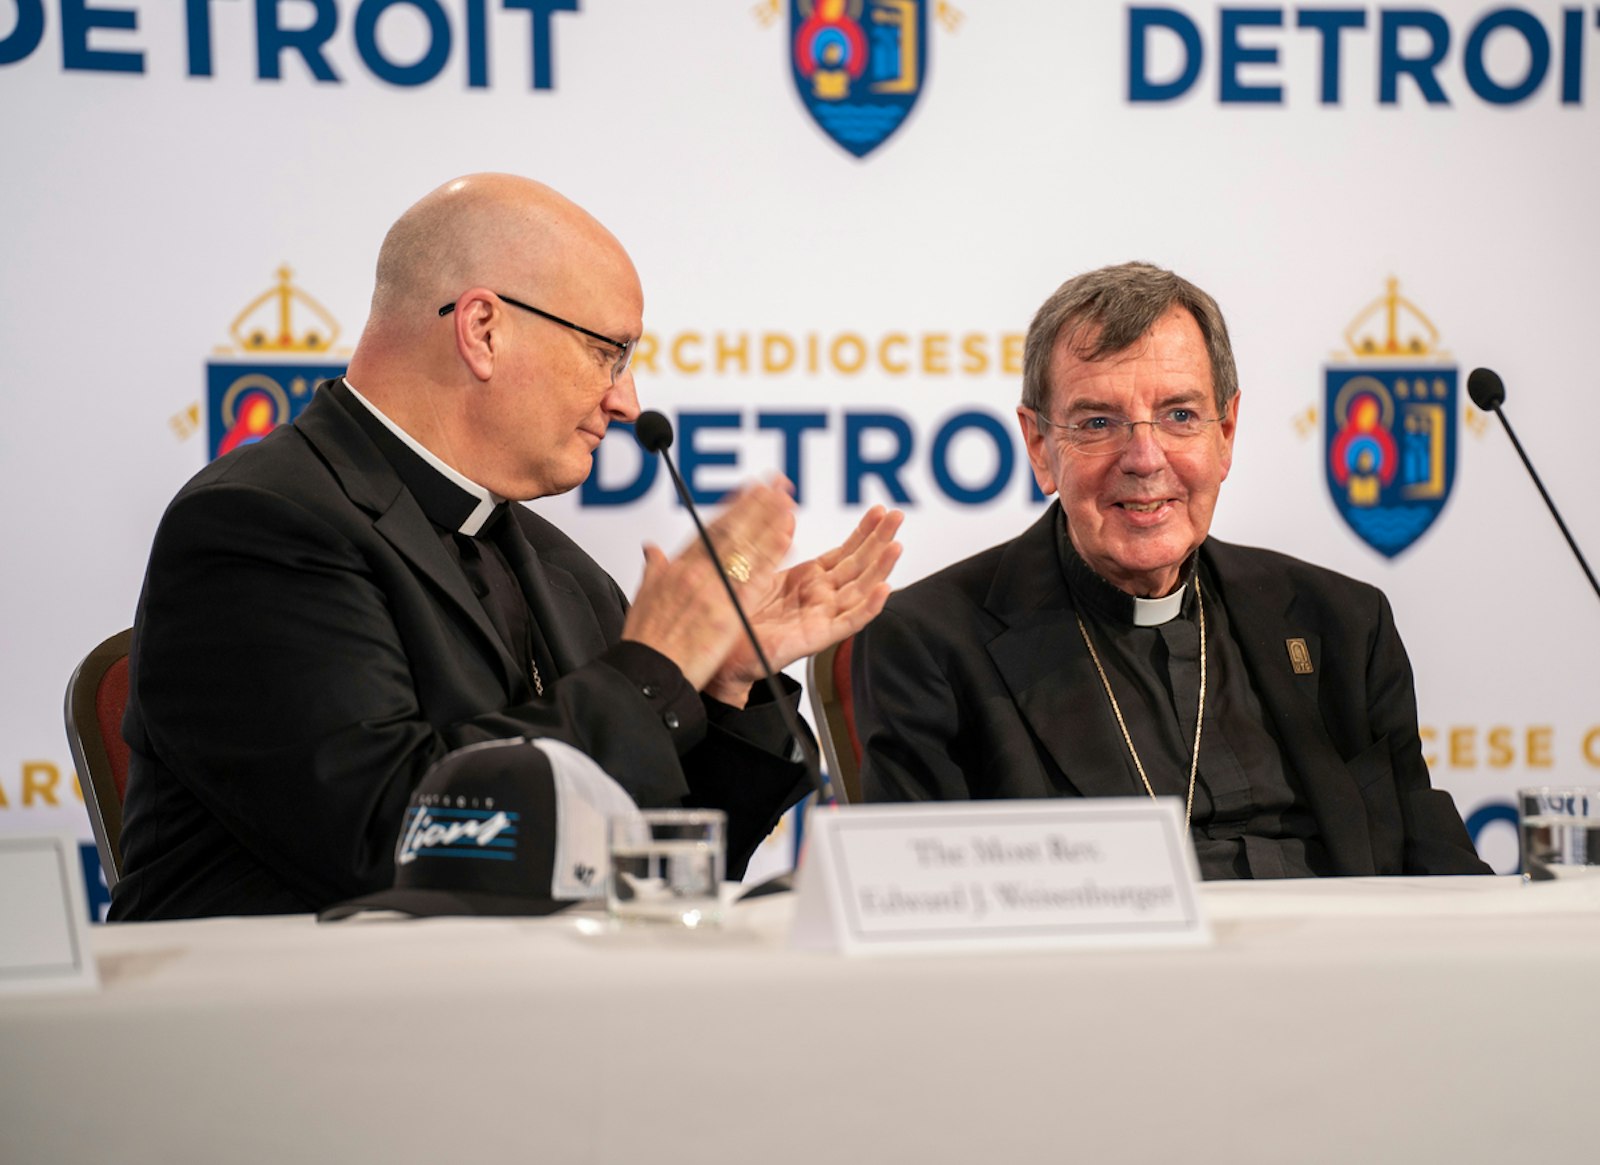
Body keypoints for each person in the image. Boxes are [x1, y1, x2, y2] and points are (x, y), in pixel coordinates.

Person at [112, 174, 902, 919]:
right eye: (609, 353)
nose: (626, 402)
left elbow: (670, 862)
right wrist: (650, 674)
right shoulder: (255, 528)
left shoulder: (564, 569)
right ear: (482, 329)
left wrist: (722, 681)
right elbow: (393, 842)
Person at [853, 262, 1486, 878]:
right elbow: (921, 925)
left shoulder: (1343, 624)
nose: (1144, 458)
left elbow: (1439, 874)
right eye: (1098, 423)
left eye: (1180, 416)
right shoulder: (933, 644)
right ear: (1041, 447)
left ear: (1227, 433)